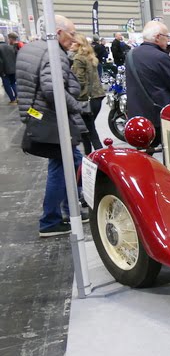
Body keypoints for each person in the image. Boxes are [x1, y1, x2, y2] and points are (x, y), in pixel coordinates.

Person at [16, 15, 90, 237]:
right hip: (53, 120)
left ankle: (68, 210)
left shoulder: (31, 48)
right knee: (65, 165)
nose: (74, 39)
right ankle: (50, 220)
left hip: (40, 117)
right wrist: (78, 106)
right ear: (58, 32)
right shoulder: (53, 53)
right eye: (71, 34)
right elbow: (52, 90)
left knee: (68, 163)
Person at [125, 20, 170, 147]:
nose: (168, 40)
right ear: (158, 37)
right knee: (168, 150)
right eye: (167, 36)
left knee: (144, 151)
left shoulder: (131, 54)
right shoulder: (160, 57)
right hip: (158, 116)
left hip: (137, 116)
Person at [71, 33, 104, 154]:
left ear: (79, 44)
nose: (70, 44)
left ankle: (99, 156)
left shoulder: (78, 58)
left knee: (89, 131)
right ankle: (90, 156)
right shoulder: (90, 57)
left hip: (86, 99)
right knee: (87, 130)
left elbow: (79, 81)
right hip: (97, 97)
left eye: (73, 42)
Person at [0, 33, 18, 103]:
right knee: (13, 83)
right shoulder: (11, 47)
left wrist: (1, 71)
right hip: (13, 69)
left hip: (4, 71)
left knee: (6, 85)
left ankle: (12, 99)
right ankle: (17, 97)